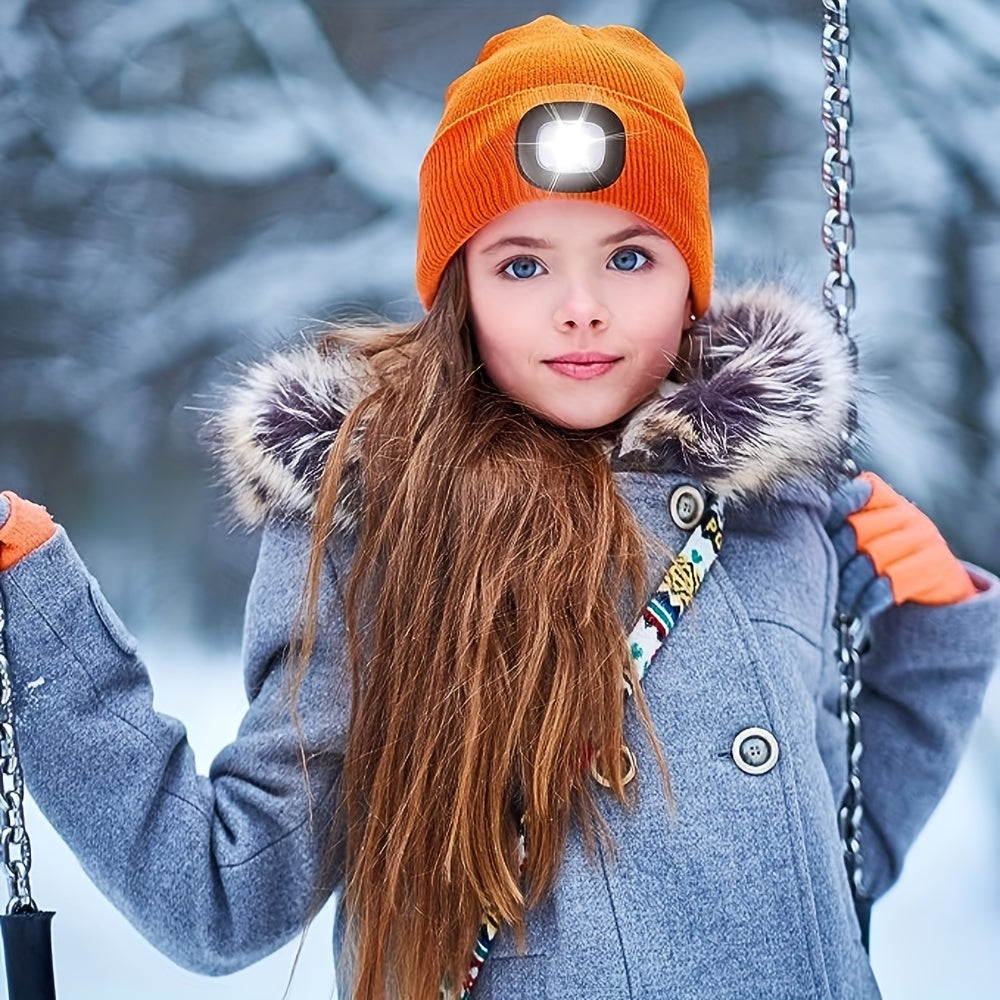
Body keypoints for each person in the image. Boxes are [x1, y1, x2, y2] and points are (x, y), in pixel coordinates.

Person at [0, 15, 997, 1000]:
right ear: (460, 291)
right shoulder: (380, 531)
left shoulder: (768, 515)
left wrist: (934, 638)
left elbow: (822, 874)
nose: (580, 306)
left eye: (629, 256)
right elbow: (222, 896)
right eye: (523, 263)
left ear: (691, 277)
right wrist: (44, 620)